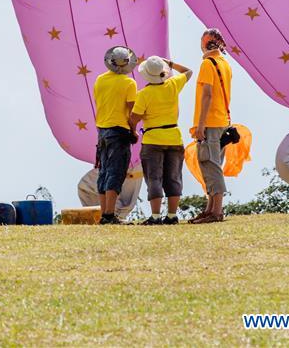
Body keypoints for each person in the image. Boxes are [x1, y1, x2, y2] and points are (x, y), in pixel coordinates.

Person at [130, 55, 192, 224]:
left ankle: (155, 216)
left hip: (152, 139)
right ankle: (172, 215)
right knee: (174, 177)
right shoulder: (173, 84)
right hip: (174, 138)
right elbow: (188, 72)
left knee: (154, 178)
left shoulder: (143, 94)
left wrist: (133, 131)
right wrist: (170, 63)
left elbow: (134, 118)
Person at [191, 28, 232, 224]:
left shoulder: (207, 64)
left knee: (210, 165)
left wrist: (200, 125)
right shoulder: (224, 63)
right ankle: (210, 209)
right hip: (222, 121)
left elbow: (207, 94)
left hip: (210, 122)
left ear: (206, 43)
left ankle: (216, 211)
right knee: (214, 164)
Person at [93, 46, 138, 224]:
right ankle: (110, 214)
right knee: (116, 171)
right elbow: (132, 113)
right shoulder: (129, 83)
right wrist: (133, 131)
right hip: (119, 131)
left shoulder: (100, 80)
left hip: (102, 130)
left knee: (103, 171)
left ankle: (104, 214)